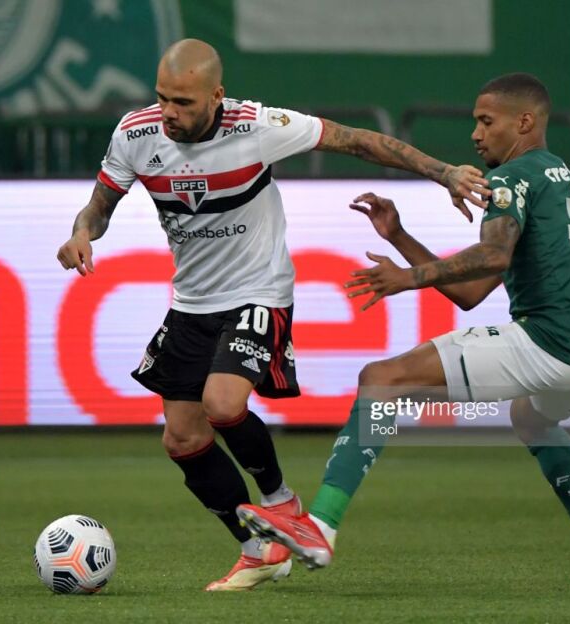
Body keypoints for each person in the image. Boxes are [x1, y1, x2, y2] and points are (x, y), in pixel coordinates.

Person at [56, 38, 489, 591]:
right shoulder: (135, 134)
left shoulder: (258, 126)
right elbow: (100, 206)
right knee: (182, 440)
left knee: (221, 403)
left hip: (259, 291)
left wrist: (444, 172)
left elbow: (358, 141)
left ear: (217, 95)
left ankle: (282, 501)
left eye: (183, 102)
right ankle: (258, 550)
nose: (169, 112)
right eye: (162, 98)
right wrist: (81, 234)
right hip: (191, 302)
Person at [238, 73, 570, 592]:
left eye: (486, 121)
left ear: (524, 122)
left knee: (381, 379)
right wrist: (400, 236)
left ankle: (319, 527)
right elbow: (471, 292)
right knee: (532, 420)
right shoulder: (554, 171)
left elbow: (492, 255)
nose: (475, 133)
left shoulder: (511, 179)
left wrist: (407, 278)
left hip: (550, 342)